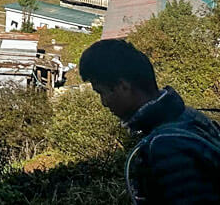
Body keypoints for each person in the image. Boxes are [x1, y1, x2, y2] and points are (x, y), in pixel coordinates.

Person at [78, 38, 220, 204]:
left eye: (101, 92)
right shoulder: (190, 117)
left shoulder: (165, 146)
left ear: (123, 86)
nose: (104, 102)